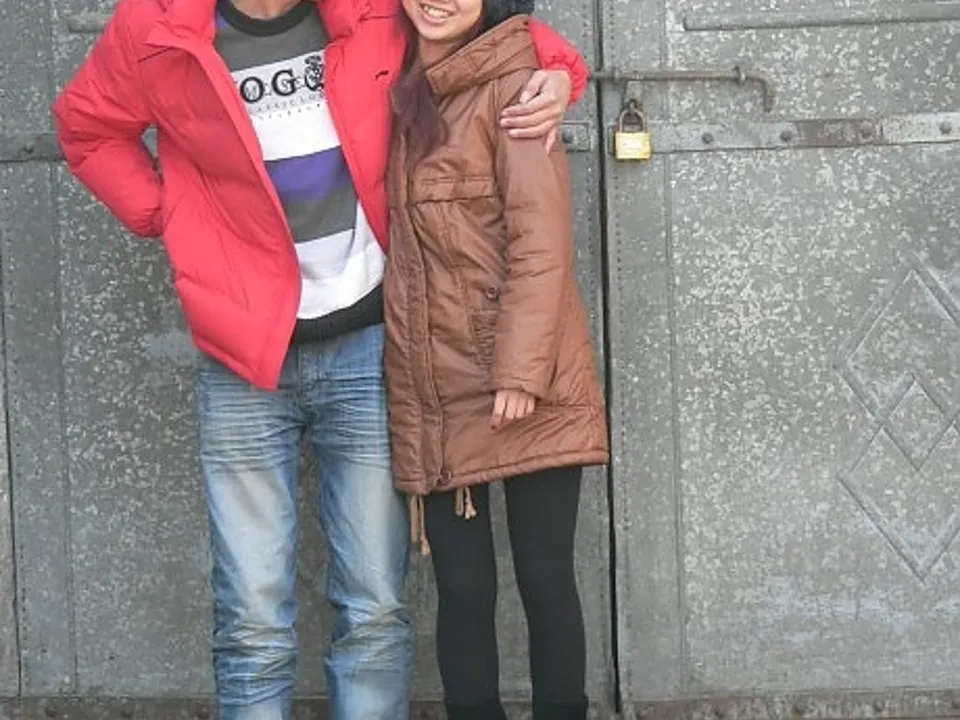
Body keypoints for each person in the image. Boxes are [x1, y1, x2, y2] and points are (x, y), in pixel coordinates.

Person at [50, 0, 589, 716]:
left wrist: (560, 68)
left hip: (370, 344)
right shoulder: (155, 24)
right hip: (245, 356)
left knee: (375, 607)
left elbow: (480, 28)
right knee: (252, 619)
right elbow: (87, 126)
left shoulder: (367, 7)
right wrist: (168, 213)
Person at [384, 0, 609, 718]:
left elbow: (541, 240)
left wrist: (519, 371)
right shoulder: (386, 83)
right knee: (462, 588)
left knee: (545, 577)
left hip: (529, 381)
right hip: (437, 386)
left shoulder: (517, 87)